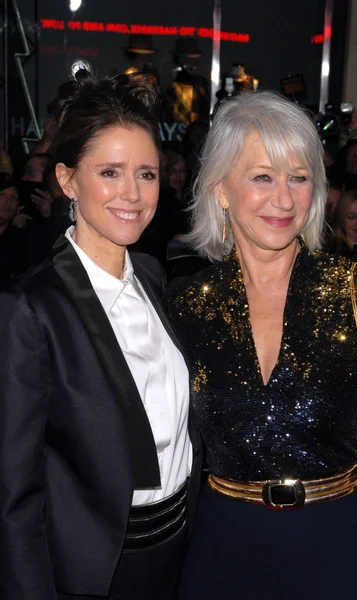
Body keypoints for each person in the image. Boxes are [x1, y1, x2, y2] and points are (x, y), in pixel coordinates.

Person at [164, 91, 357, 599]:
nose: (285, 199)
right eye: (262, 177)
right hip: (221, 550)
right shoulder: (186, 305)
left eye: (299, 177)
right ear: (221, 189)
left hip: (338, 545)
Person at [0, 65, 201, 600]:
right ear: (67, 180)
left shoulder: (156, 278)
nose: (132, 193)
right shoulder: (30, 309)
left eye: (147, 173)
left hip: (180, 553)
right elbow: (14, 497)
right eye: (109, 172)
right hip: (96, 574)